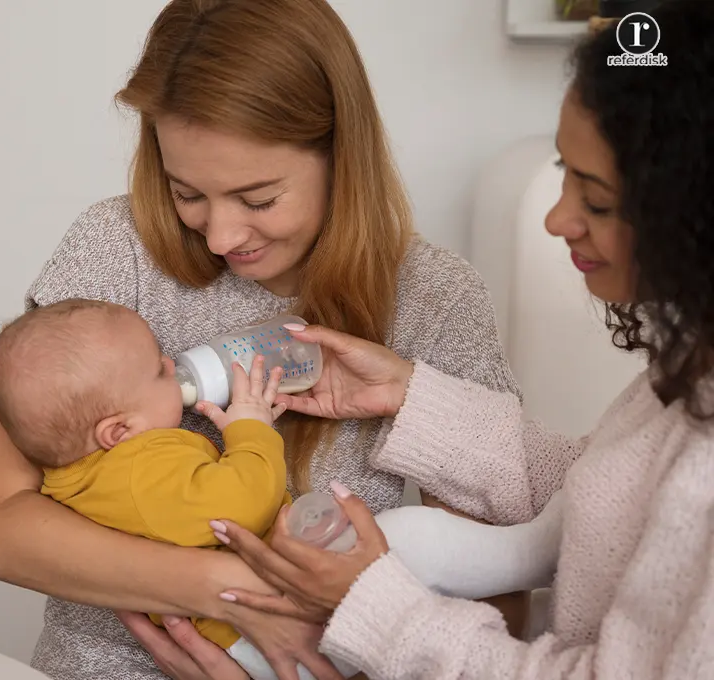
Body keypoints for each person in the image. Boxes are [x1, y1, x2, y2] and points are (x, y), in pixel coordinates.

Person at [0, 0, 522, 678]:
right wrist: (236, 599)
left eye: (257, 199)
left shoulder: (435, 299)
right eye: (186, 191)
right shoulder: (114, 249)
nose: (219, 236)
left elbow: (495, 596)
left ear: (341, 155)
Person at [207, 3, 714, 677]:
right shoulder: (691, 376)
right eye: (564, 172)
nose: (559, 218)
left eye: (595, 200)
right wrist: (407, 396)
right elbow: (603, 492)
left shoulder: (439, 290)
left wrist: (378, 607)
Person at [0, 299, 567, 680]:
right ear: (118, 431)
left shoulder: (91, 475)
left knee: (421, 563)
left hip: (251, 637)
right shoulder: (137, 468)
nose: (172, 363)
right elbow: (237, 505)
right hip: (257, 642)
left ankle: (542, 589)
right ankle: (542, 549)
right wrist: (251, 432)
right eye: (159, 370)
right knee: (413, 536)